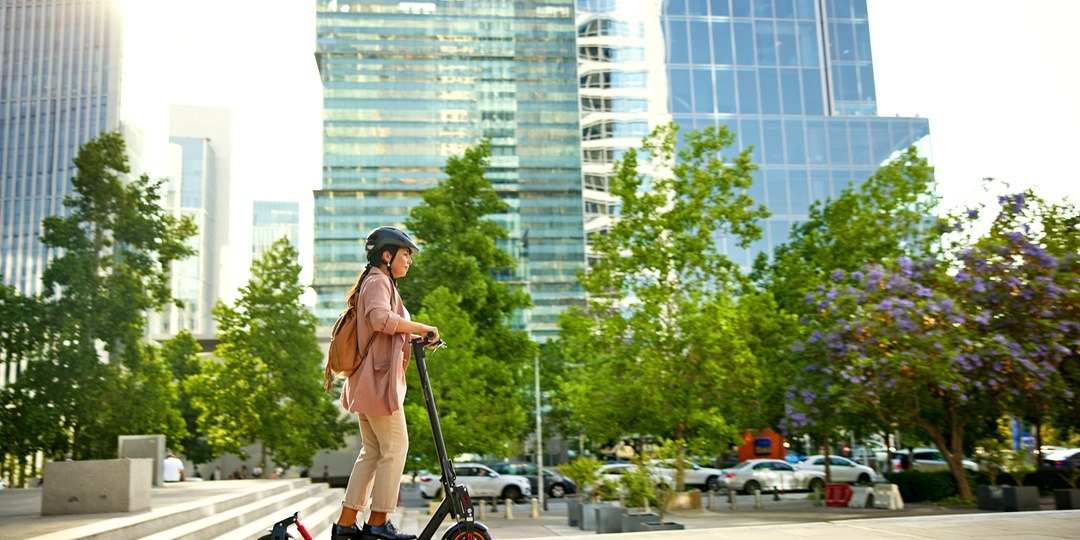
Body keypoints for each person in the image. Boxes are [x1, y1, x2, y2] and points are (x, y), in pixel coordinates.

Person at [331, 227, 439, 540]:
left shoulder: (377, 281)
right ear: (387, 255)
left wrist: (416, 336)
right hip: (377, 385)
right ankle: (377, 523)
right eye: (406, 254)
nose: (409, 261)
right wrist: (420, 325)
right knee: (395, 447)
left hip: (367, 382)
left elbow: (384, 329)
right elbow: (380, 318)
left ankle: (345, 524)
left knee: (373, 451)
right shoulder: (378, 280)